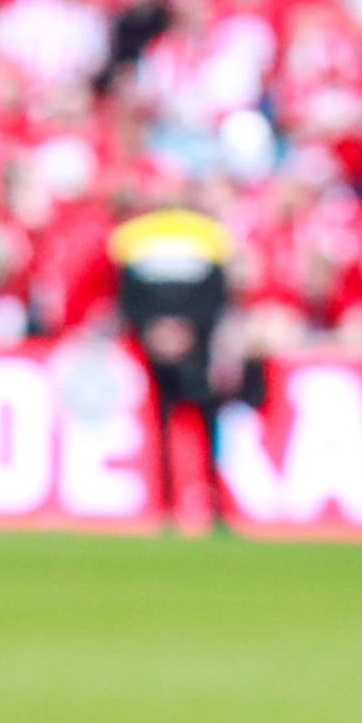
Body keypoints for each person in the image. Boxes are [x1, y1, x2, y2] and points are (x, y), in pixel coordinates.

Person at [110, 198, 240, 533]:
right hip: (169, 352)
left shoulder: (150, 245)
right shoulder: (199, 244)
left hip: (197, 352)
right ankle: (169, 503)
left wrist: (179, 330)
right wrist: (160, 330)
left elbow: (217, 299)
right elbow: (127, 299)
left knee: (205, 427)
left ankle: (213, 504)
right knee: (165, 428)